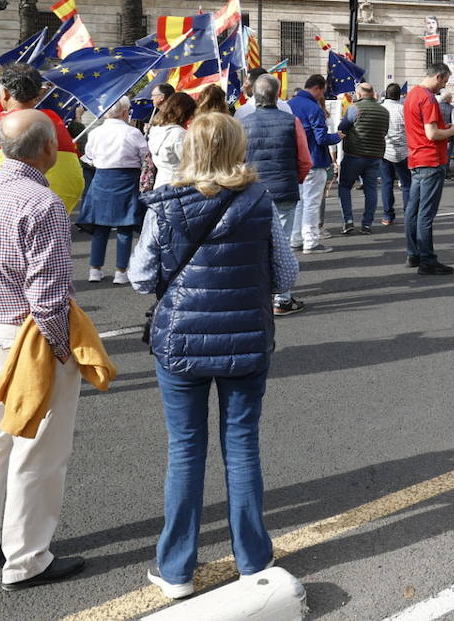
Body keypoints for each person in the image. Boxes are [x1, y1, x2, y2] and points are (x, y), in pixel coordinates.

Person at [129, 113, 296, 600]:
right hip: (246, 338)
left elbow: (141, 277)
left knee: (185, 450)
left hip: (181, 340)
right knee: (241, 446)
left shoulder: (165, 207)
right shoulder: (258, 201)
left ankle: (177, 568)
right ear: (236, 150)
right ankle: (252, 559)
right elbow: (285, 275)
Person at [0, 110, 87, 590]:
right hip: (24, 333)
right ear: (48, 148)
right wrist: (62, 348)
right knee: (38, 448)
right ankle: (26, 557)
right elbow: (48, 293)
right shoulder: (43, 204)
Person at [0, 64, 85, 216]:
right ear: (40, 93)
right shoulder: (54, 124)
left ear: (4, 93)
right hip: (43, 213)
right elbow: (72, 181)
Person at [241, 74, 310, 315]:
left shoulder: (243, 123)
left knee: (255, 244)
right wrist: (296, 179)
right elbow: (305, 160)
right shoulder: (292, 122)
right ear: (277, 95)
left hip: (252, 193)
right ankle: (282, 297)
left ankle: (255, 293)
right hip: (284, 190)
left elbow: (238, 161)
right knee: (282, 244)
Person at [79, 99, 149, 284]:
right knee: (124, 227)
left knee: (100, 227)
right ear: (125, 112)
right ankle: (121, 271)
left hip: (102, 179)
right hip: (127, 179)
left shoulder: (96, 132)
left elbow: (89, 157)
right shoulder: (133, 132)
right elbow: (145, 155)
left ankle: (94, 269)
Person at [404, 63, 454, 275]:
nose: (443, 87)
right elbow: (432, 133)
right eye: (444, 82)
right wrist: (452, 130)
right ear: (438, 77)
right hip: (431, 158)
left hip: (417, 158)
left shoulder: (412, 95)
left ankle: (414, 253)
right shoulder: (427, 98)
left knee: (413, 210)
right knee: (425, 213)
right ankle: (427, 260)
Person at [287, 75, 342, 254]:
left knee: (300, 202)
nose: (322, 95)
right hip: (314, 160)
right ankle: (310, 241)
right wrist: (337, 136)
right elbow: (321, 138)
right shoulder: (314, 108)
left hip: (296, 160)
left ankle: (296, 238)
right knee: (312, 202)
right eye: (323, 91)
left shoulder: (289, 104)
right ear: (317, 88)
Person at [337, 82, 389, 236]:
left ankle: (348, 221)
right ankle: (367, 224)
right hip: (375, 156)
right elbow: (384, 131)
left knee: (345, 187)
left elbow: (342, 127)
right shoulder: (384, 111)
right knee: (370, 189)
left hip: (354, 155)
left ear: (359, 94)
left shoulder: (355, 108)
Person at [147, 93, 196, 189]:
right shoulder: (178, 134)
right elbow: (189, 163)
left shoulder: (156, 129)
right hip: (179, 185)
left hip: (160, 184)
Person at [380, 83, 410, 225]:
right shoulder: (403, 109)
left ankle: (387, 216)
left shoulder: (381, 109)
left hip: (384, 151)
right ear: (399, 96)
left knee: (386, 183)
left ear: (386, 94)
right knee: (406, 185)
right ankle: (408, 214)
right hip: (403, 151)